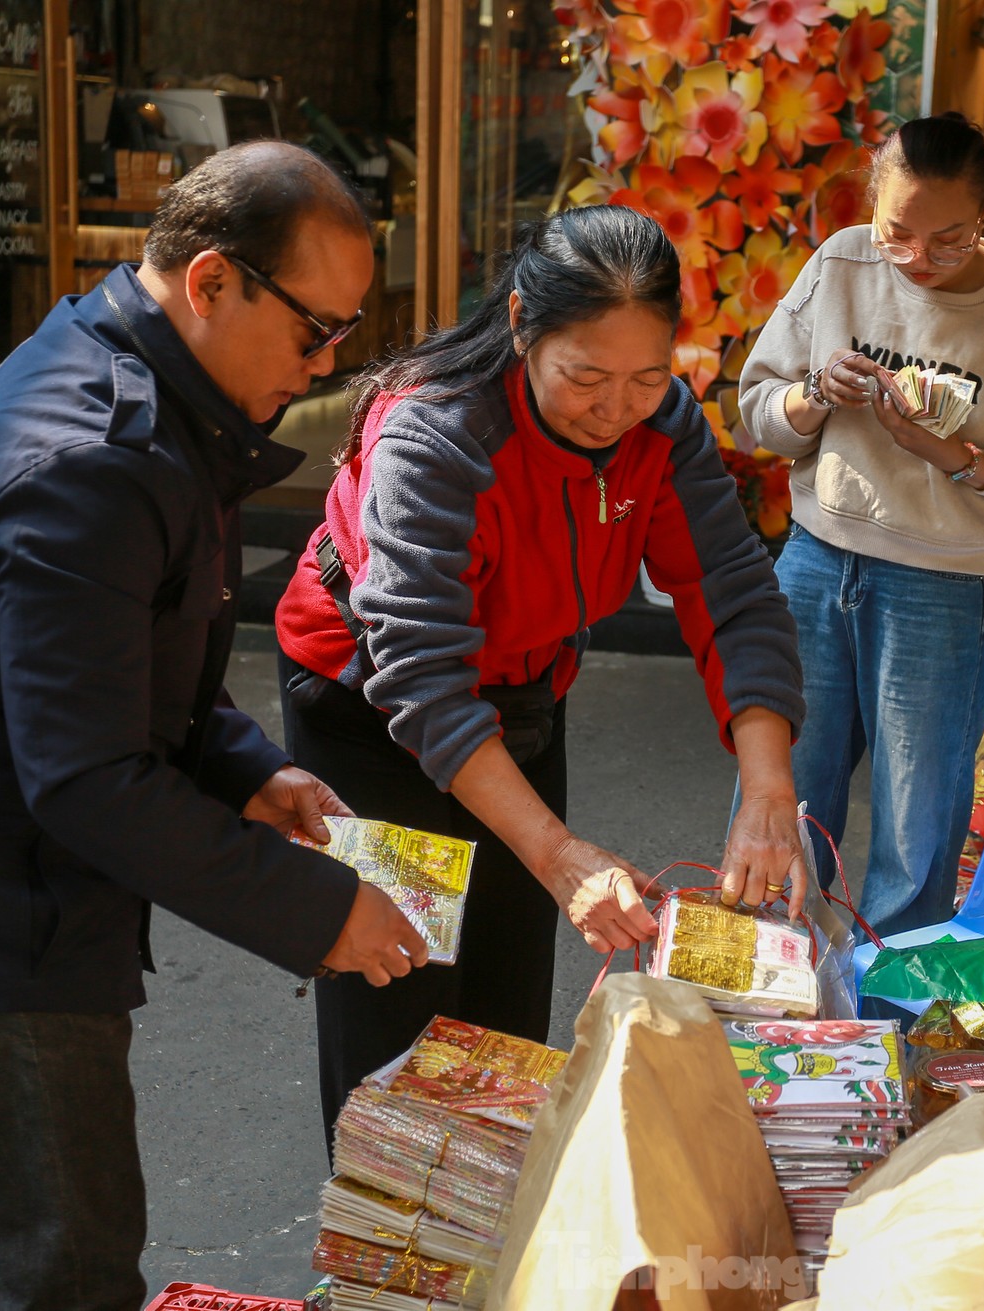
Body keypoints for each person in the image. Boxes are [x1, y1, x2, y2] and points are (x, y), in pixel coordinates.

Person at [0, 142, 432, 1311]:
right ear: (213, 284)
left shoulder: (114, 370)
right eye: (314, 330)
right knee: (64, 1264)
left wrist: (246, 770)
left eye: (346, 333)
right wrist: (322, 910)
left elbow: (116, 660)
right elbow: (86, 779)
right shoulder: (92, 457)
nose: (326, 362)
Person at [275, 205, 806, 1131]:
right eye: (586, 377)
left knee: (505, 1001)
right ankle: (376, 1264)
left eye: (647, 377)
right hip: (365, 703)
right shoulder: (436, 434)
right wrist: (559, 854)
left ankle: (487, 1248)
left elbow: (731, 589)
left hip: (521, 691)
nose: (615, 409)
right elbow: (421, 674)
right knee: (394, 991)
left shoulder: (662, 427)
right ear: (522, 322)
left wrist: (768, 788)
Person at [737, 112, 984, 935]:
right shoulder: (842, 264)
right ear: (872, 206)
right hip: (815, 560)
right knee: (782, 805)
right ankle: (771, 1006)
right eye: (897, 233)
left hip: (943, 587)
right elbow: (757, 413)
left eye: (950, 239)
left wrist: (956, 456)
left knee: (916, 835)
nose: (918, 260)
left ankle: (887, 1029)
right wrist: (817, 393)